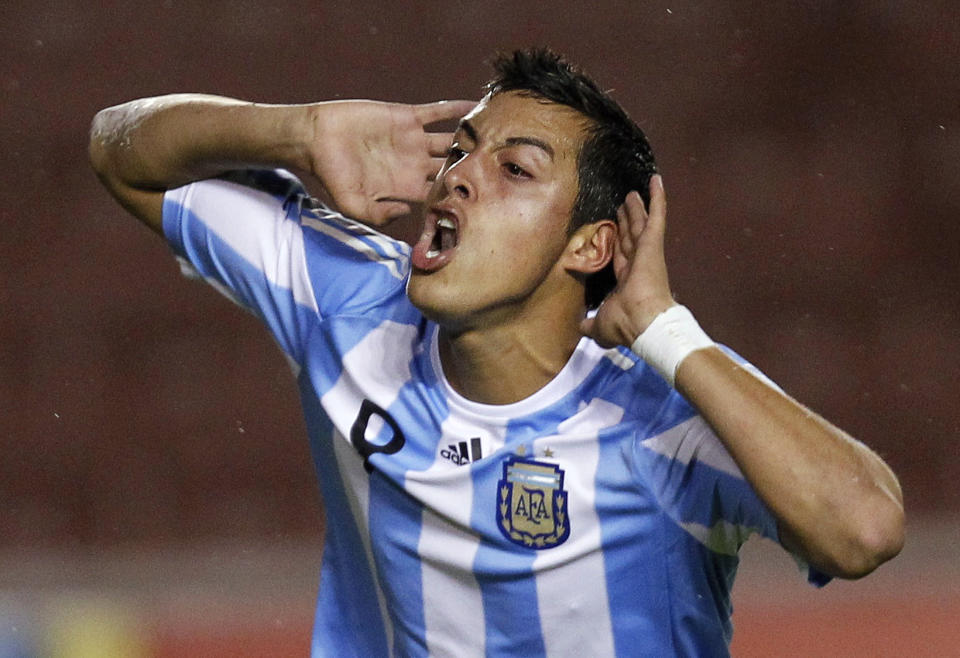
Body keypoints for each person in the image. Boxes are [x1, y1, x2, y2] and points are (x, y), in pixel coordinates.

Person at [89, 49, 904, 657]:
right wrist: (294, 132)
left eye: (514, 168)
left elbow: (865, 530)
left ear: (592, 245)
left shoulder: (664, 409)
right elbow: (122, 155)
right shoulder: (350, 299)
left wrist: (664, 326)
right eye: (460, 151)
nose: (460, 178)